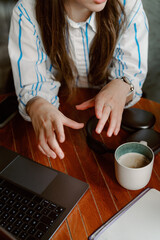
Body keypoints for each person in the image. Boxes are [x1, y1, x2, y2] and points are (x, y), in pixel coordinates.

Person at [8, 0, 148, 159]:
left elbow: (132, 74)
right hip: (57, 121)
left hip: (110, 127)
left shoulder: (129, 5)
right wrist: (36, 104)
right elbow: (32, 84)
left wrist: (123, 85)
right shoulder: (27, 11)